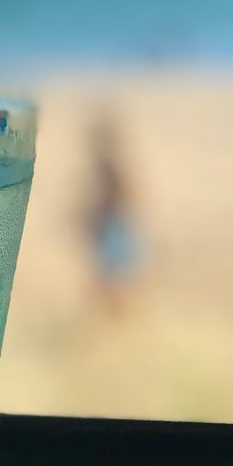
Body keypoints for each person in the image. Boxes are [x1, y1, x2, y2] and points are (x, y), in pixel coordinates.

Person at [83, 112, 143, 315]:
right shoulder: (110, 164)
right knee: (112, 280)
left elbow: (117, 196)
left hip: (113, 225)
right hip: (113, 225)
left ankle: (117, 320)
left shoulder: (108, 165)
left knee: (113, 280)